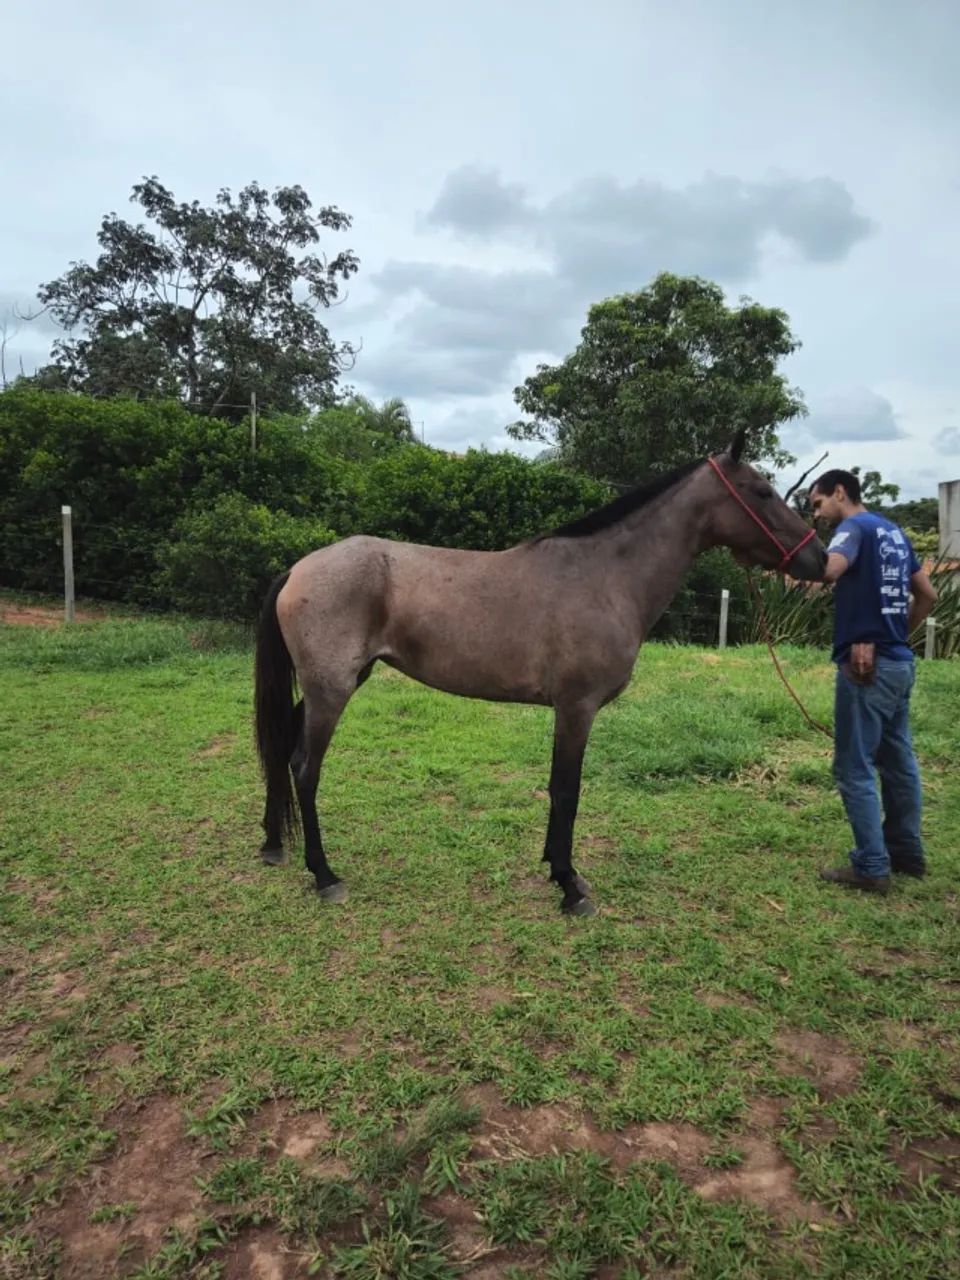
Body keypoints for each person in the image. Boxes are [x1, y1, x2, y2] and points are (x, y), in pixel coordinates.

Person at [808, 469, 938, 894]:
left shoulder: (853, 528)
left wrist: (787, 554)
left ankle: (871, 865)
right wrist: (895, 637)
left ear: (839, 493)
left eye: (818, 504)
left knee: (853, 766)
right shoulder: (895, 533)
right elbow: (929, 596)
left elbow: (830, 570)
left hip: (865, 670)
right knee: (899, 762)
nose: (819, 515)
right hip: (899, 665)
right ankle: (907, 853)